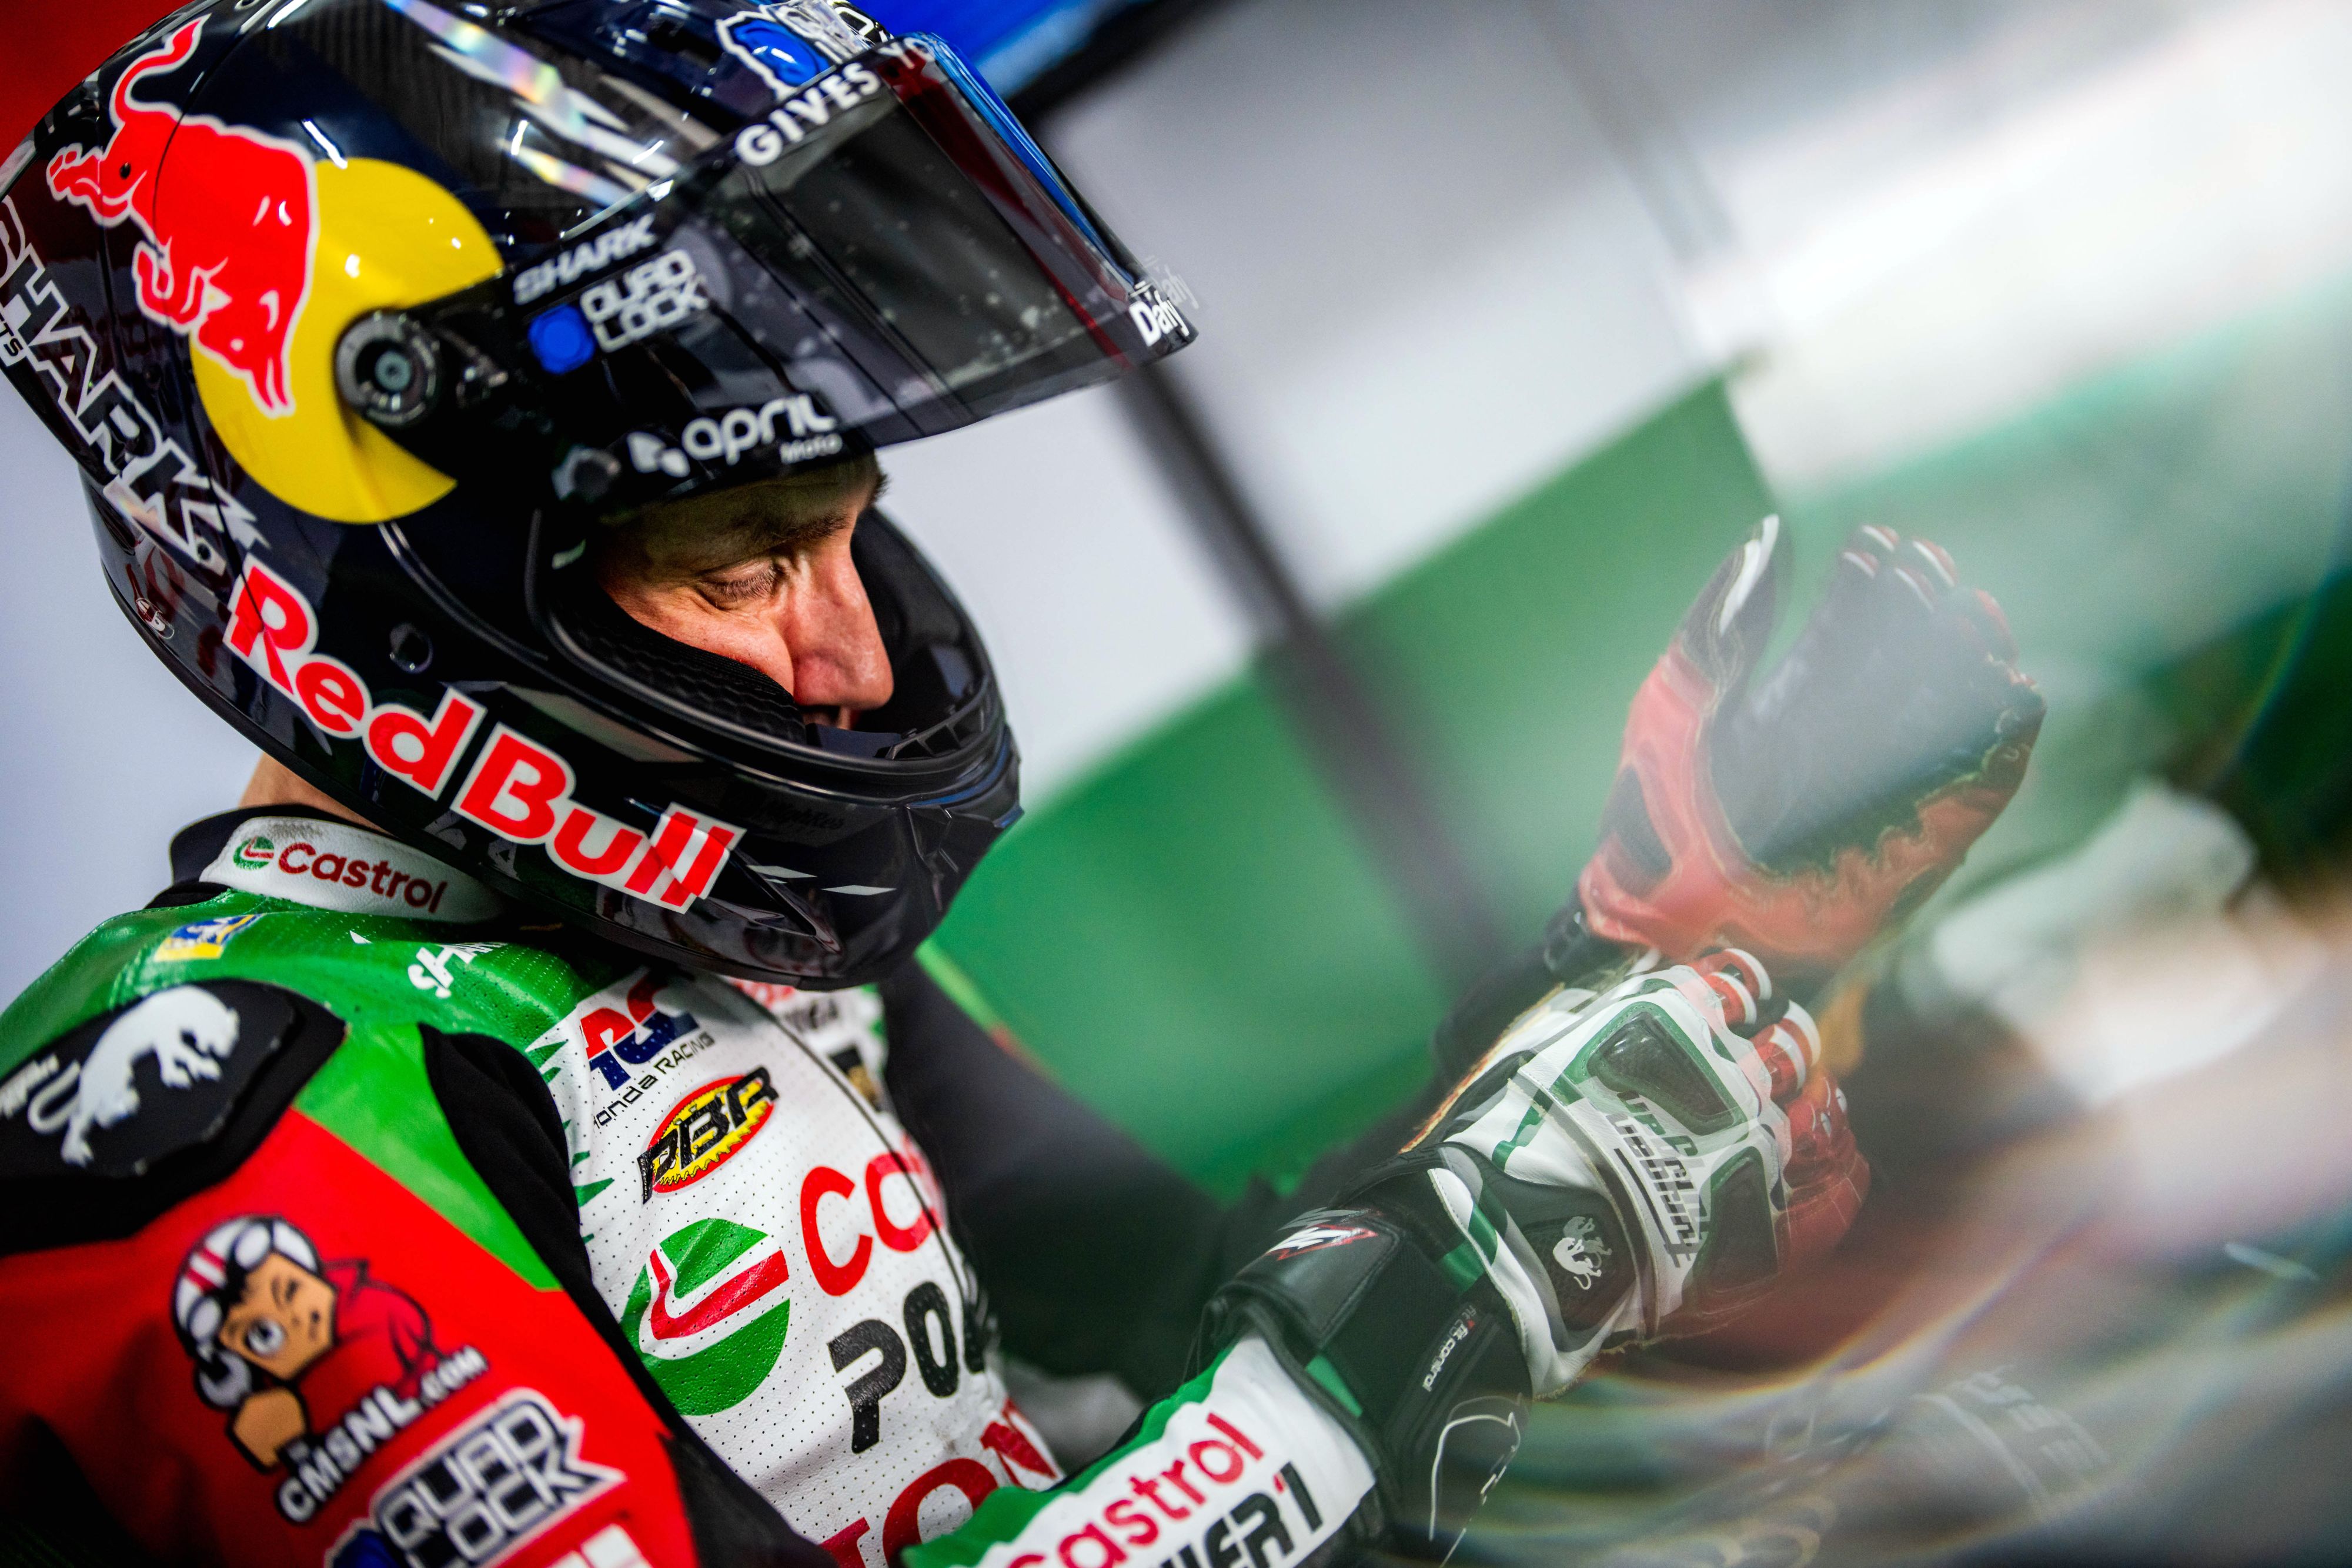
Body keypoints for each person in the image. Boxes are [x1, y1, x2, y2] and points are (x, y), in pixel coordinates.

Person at [0, 3, 2039, 1566]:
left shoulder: (697, 922)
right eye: (741, 564)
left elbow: (1194, 1307)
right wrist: (1444, 1298)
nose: (852, 657)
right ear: (394, 586)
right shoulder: (200, 1154)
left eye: (842, 522)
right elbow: (1308, 1383)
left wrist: (1610, 975)